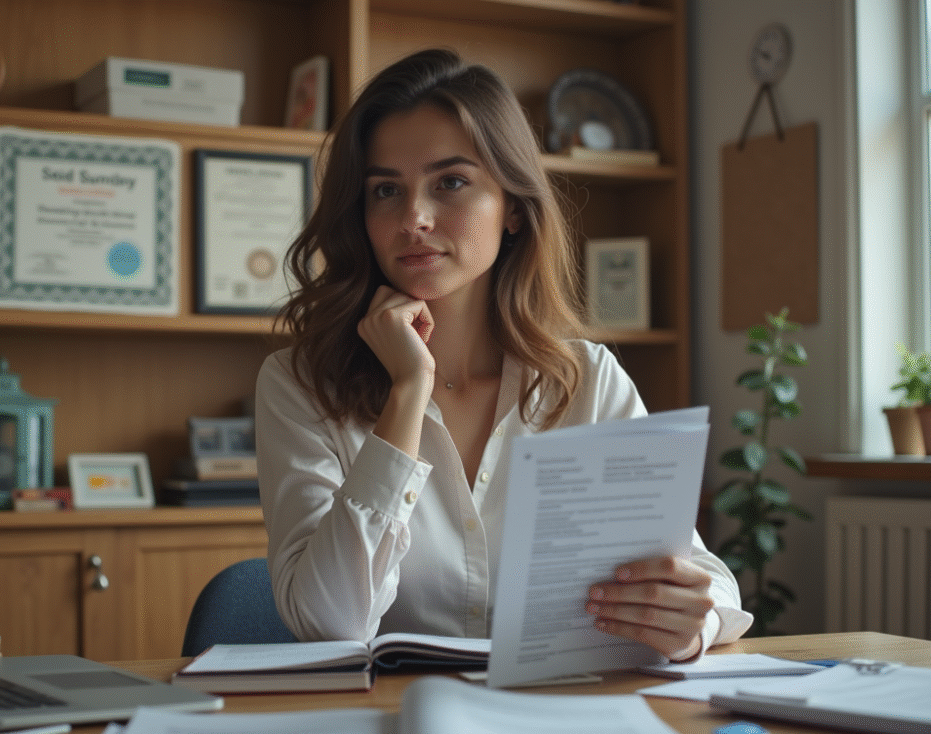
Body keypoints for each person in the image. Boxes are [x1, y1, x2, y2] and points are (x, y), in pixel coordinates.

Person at [256, 48, 752, 661]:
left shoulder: (587, 380)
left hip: (564, 710)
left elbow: (704, 577)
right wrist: (408, 392)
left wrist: (692, 623)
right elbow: (331, 624)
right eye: (385, 190)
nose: (414, 218)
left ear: (513, 206)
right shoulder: (298, 385)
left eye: (450, 182)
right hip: (391, 711)